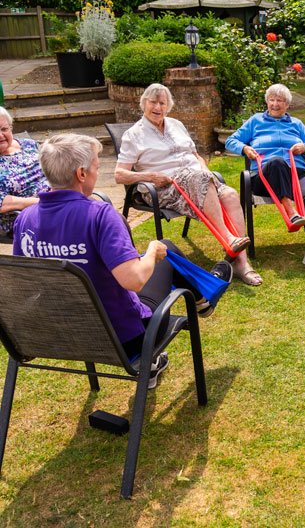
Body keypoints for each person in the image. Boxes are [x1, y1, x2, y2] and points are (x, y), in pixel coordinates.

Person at [13, 134, 232, 387]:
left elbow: (26, 284)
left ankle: (202, 301)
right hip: (127, 341)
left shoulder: (26, 219)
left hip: (65, 337)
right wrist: (151, 250)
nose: (97, 173)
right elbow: (135, 280)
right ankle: (204, 298)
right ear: (81, 174)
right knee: (164, 249)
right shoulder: (99, 215)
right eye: (97, 167)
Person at [113, 84, 258, 285]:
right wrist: (151, 176)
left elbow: (196, 156)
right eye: (153, 102)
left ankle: (241, 263)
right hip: (164, 187)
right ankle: (229, 239)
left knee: (231, 195)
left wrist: (204, 169)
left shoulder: (176, 125)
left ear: (168, 106)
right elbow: (119, 175)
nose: (157, 106)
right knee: (199, 179)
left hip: (197, 180)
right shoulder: (134, 134)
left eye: (162, 103)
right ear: (143, 103)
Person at [225, 83, 305, 274]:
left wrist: (304, 148)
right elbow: (231, 140)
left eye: (280, 100)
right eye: (272, 99)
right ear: (267, 102)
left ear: (287, 104)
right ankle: (291, 211)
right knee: (277, 162)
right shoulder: (255, 121)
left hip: (296, 174)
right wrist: (245, 148)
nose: (275, 104)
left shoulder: (296, 124)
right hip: (264, 178)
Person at [0, 106, 49, 237]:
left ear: (11, 128)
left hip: (55, 202)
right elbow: (3, 203)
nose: (1, 135)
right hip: (24, 217)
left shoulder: (29, 145)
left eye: (4, 129)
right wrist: (46, 202)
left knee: (93, 210)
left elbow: (53, 169)